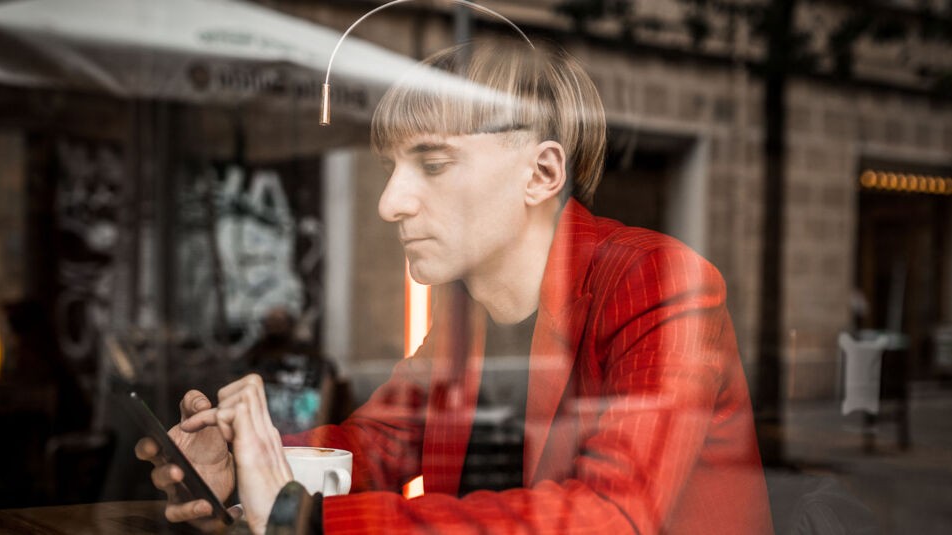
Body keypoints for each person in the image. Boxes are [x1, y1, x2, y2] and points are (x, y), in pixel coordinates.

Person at [137, 39, 774, 534]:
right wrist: (247, 460)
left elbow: (610, 517)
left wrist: (305, 516)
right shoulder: (467, 306)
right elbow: (379, 445)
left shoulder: (654, 281)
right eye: (391, 168)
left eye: (433, 164)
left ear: (542, 172)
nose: (390, 204)